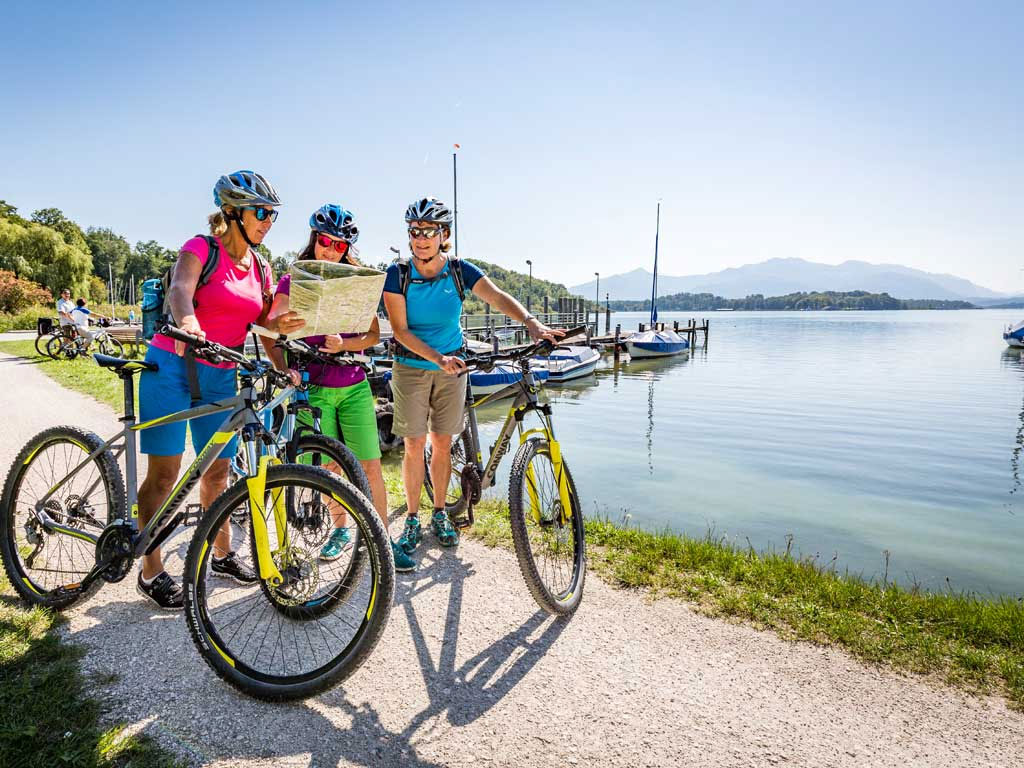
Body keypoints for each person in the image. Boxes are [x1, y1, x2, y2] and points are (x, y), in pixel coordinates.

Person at [134, 170, 304, 610]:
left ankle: (224, 553)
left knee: (217, 473)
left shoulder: (262, 267)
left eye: (273, 215)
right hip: (172, 364)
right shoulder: (200, 248)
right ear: (232, 212)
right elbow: (179, 290)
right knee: (166, 475)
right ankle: (150, 569)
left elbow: (265, 327)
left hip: (220, 373)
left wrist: (282, 363)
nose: (269, 222)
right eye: (262, 213)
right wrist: (189, 322)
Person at [382, 197, 561, 558]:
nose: (420, 238)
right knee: (415, 444)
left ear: (444, 234)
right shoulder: (397, 274)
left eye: (428, 231)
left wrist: (531, 323)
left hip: (452, 370)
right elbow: (399, 331)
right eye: (414, 232)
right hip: (413, 368)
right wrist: (437, 358)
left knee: (443, 443)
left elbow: (497, 297)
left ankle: (440, 516)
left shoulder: (460, 271)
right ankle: (413, 518)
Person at [267, 204, 416, 572]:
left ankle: (380, 539)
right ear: (314, 240)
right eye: (324, 242)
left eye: (338, 245)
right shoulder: (292, 280)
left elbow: (372, 335)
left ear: (347, 248)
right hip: (314, 386)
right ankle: (339, 530)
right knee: (329, 468)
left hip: (353, 384)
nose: (330, 250)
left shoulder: (357, 282)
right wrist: (283, 325)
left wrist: (344, 344)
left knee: (369, 466)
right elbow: (273, 322)